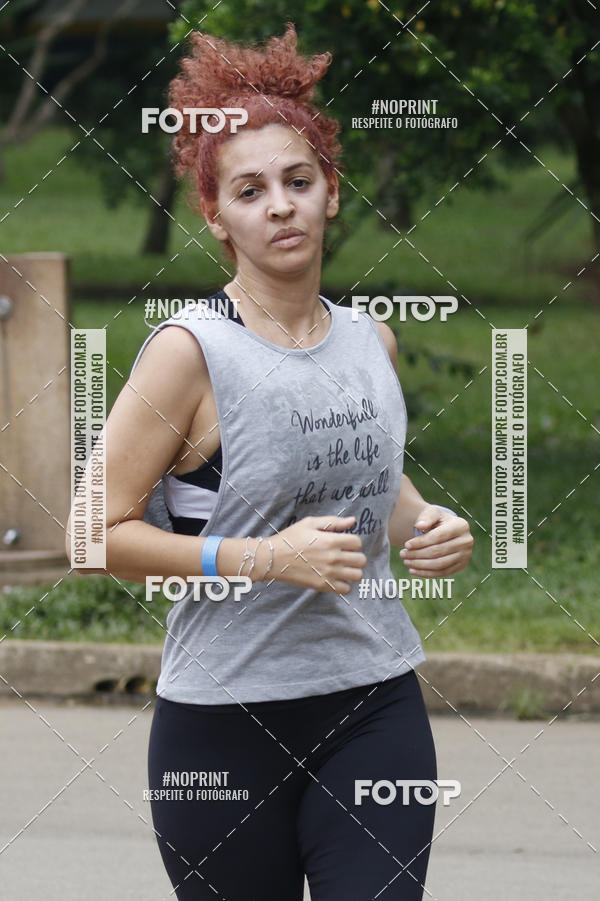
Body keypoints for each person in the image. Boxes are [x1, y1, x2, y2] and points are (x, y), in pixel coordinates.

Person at [68, 22, 473, 901]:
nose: (281, 204)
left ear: (332, 191)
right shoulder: (189, 353)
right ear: (216, 215)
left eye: (299, 180)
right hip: (222, 722)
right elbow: (92, 534)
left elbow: (373, 484)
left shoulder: (374, 338)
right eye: (250, 190)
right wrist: (265, 558)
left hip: (374, 702)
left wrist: (425, 523)